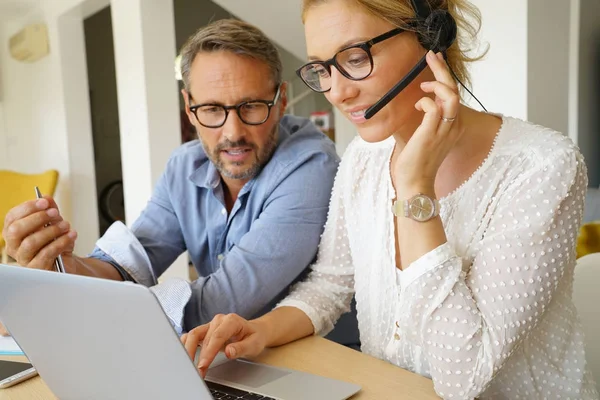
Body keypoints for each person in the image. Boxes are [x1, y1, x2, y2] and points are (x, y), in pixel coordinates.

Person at [181, 1, 600, 399]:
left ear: (431, 37)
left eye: (355, 59)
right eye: (323, 68)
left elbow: (465, 378)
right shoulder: (364, 160)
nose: (336, 92)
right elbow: (330, 285)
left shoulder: (542, 167)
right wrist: (261, 329)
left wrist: (415, 190)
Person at [0, 19, 361, 344]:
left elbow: (221, 301)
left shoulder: (311, 165)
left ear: (281, 101)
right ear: (189, 106)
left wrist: (63, 310)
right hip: (230, 358)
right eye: (212, 110)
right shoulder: (184, 165)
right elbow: (130, 264)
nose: (233, 133)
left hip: (323, 356)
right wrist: (64, 268)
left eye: (251, 106)